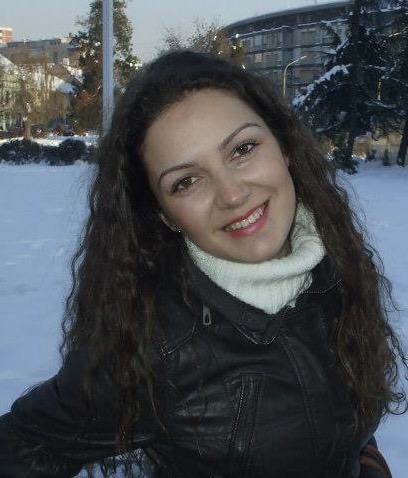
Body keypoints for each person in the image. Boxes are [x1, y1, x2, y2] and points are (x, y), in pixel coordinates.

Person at [0, 50, 405, 478]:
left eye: (243, 149)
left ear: (284, 145)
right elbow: (20, 448)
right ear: (163, 214)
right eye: (186, 181)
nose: (232, 195)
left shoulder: (336, 265)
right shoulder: (150, 344)